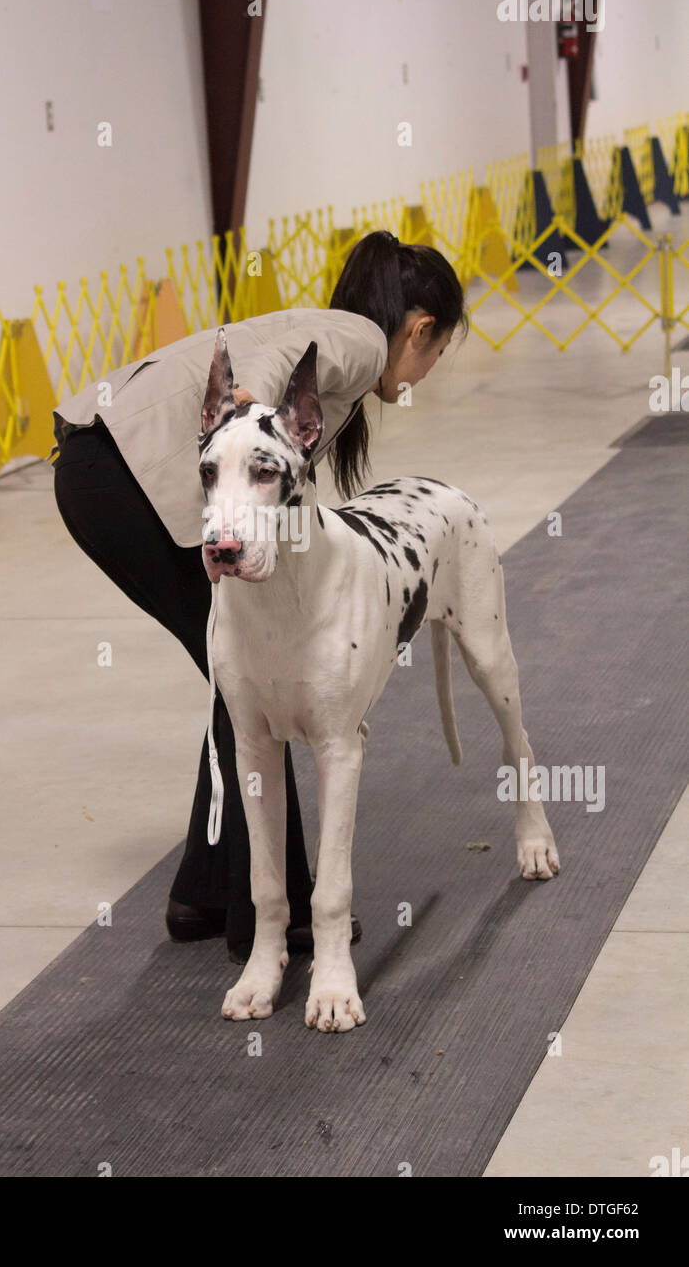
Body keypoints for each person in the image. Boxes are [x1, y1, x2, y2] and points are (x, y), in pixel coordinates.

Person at [51, 232, 467, 963]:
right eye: (436, 354)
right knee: (242, 682)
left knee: (232, 678)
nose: (424, 374)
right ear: (421, 329)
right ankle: (276, 913)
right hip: (115, 476)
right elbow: (266, 366)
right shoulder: (364, 340)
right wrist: (249, 403)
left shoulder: (339, 345)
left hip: (96, 468)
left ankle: (205, 894)